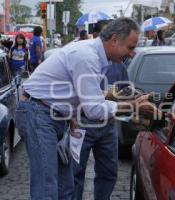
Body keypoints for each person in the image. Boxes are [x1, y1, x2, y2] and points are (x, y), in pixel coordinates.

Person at [15, 17, 158, 200]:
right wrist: (133, 106)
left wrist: (70, 114)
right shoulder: (87, 56)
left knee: (65, 187)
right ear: (114, 39)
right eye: (130, 47)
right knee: (47, 188)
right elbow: (94, 109)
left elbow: (78, 93)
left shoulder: (94, 56)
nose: (131, 54)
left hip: (52, 115)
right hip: (38, 113)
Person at [72, 19, 129, 200]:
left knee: (109, 172)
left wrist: (119, 96)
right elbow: (79, 94)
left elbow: (125, 89)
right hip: (82, 122)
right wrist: (104, 96)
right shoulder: (84, 57)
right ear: (98, 37)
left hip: (108, 124)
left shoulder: (119, 63)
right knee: (76, 173)